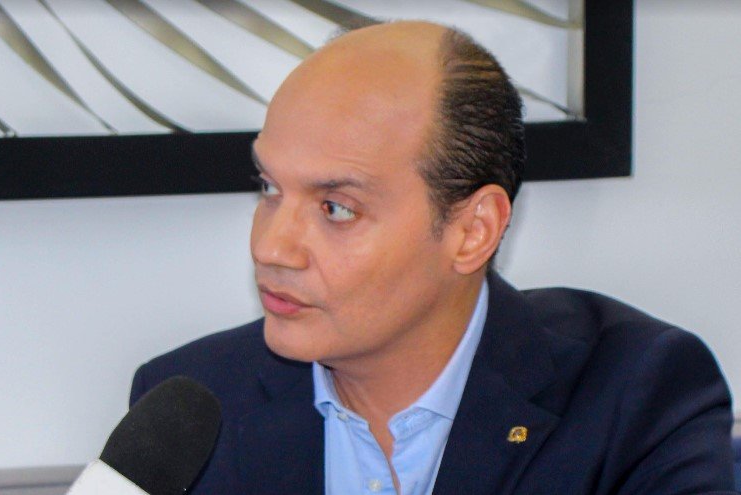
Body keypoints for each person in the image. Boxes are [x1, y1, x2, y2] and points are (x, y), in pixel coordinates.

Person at [130, 21, 734, 494]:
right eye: (269, 188)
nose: (270, 247)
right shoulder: (191, 410)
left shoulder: (632, 396)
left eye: (336, 208)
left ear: (473, 230)